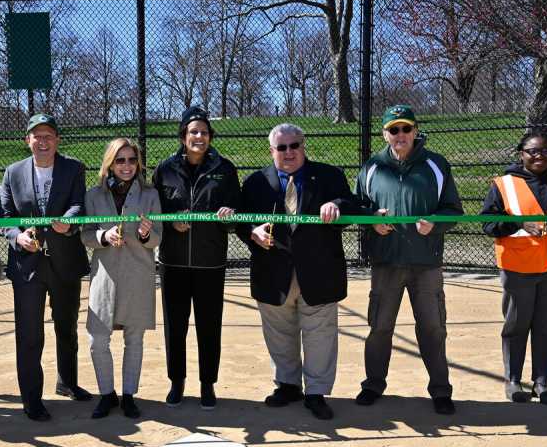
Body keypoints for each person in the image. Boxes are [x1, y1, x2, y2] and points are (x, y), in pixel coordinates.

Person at [238, 123, 369, 421]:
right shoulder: (256, 182)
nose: (289, 152)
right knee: (279, 333)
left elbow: (350, 202)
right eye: (281, 148)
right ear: (271, 151)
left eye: (294, 145)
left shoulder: (328, 175)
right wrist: (252, 233)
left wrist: (336, 205)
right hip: (273, 270)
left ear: (303, 145)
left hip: (319, 269)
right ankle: (287, 385)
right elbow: (241, 219)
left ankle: (316, 392)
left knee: (320, 335)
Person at [354, 105, 463, 415]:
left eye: (405, 129)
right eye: (393, 129)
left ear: (416, 131)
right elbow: (357, 206)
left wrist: (436, 223)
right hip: (386, 262)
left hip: (426, 263)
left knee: (432, 328)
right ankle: (373, 384)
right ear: (384, 133)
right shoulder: (373, 166)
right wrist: (371, 220)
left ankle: (440, 390)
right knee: (379, 326)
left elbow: (453, 210)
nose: (400, 135)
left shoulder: (436, 165)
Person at [481, 131, 547, 406]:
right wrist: (517, 223)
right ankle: (514, 380)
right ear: (521, 154)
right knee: (517, 324)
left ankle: (542, 383)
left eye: (545, 151)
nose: (539, 156)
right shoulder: (504, 184)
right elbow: (488, 223)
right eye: (532, 151)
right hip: (520, 266)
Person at [0, 114, 92, 421]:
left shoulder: (74, 168)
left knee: (66, 327)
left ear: (57, 140)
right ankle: (31, 399)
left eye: (48, 136)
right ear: (28, 141)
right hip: (28, 264)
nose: (43, 142)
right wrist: (18, 236)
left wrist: (69, 220)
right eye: (36, 136)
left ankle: (67, 382)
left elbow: (79, 203)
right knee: (29, 334)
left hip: (64, 260)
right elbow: (6, 216)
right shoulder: (12, 172)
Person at [152, 106, 239, 409]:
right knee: (175, 325)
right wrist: (171, 220)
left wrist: (229, 215)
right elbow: (155, 211)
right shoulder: (165, 169)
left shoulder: (225, 168)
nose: (198, 137)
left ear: (210, 136)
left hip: (210, 262)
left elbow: (235, 213)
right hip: (173, 262)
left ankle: (207, 384)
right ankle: (177, 382)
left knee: (209, 325)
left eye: (203, 132)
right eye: (193, 132)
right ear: (183, 136)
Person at [82, 138, 162, 419]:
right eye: (120, 160)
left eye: (131, 160)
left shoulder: (150, 195)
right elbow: (86, 233)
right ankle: (107, 394)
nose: (126, 166)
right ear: (110, 164)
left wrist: (143, 234)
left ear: (138, 163)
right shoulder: (93, 195)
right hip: (104, 274)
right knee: (97, 339)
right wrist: (103, 236)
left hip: (137, 272)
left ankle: (129, 395)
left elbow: (156, 237)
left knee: (134, 338)